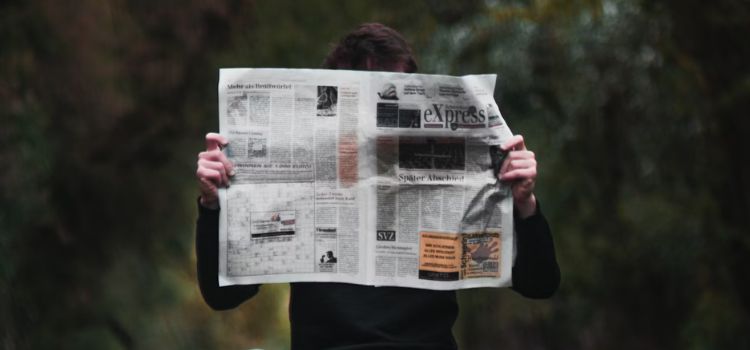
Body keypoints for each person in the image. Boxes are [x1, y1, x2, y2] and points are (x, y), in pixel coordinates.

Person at [195, 23, 560, 349]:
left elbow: (539, 283)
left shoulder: (458, 176)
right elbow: (223, 296)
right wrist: (213, 205)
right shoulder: (297, 181)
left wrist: (524, 203)